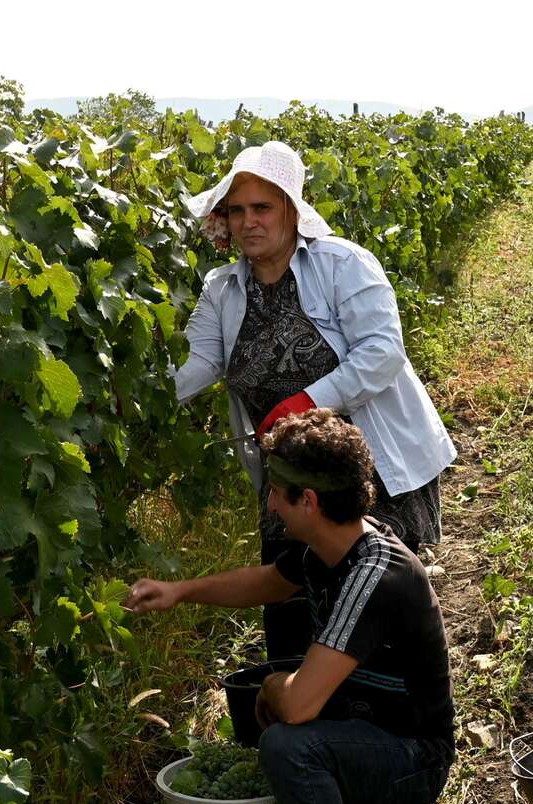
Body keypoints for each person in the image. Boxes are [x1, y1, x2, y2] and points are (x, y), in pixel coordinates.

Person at [125, 411, 454, 804]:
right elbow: (263, 583)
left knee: (286, 740)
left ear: (308, 500)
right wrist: (179, 593)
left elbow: (298, 707)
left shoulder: (374, 576)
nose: (269, 504)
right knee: (275, 714)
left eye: (276, 493)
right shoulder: (331, 549)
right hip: (367, 728)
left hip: (411, 755)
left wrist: (280, 687)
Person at [174, 141, 456, 659]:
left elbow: (381, 352)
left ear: (290, 209)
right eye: (236, 211)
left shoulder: (342, 263)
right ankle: (297, 717)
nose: (248, 222)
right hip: (287, 478)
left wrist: (304, 401)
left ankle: (383, 726)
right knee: (292, 604)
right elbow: (198, 363)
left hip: (367, 472)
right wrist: (134, 403)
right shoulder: (223, 288)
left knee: (367, 608)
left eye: (261, 207)